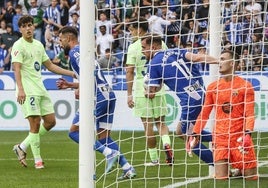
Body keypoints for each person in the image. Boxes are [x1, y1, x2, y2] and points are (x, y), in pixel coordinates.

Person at [57, 26, 136, 180]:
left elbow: (88, 79)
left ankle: (108, 153)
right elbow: (89, 76)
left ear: (69, 39)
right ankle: (127, 168)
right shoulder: (85, 52)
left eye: (61, 40)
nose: (60, 44)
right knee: (103, 137)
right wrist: (72, 85)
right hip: (108, 94)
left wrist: (81, 90)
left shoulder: (74, 53)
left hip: (97, 96)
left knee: (74, 132)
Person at [141, 34, 217, 166]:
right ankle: (221, 138)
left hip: (191, 101)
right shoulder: (176, 51)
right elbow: (198, 57)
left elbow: (152, 92)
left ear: (152, 47)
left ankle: (219, 165)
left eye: (143, 47)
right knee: (180, 131)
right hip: (203, 94)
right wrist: (220, 61)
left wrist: (146, 90)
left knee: (189, 136)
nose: (142, 51)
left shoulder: (153, 64)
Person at [11, 15, 75, 169]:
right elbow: (17, 69)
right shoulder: (18, 45)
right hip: (27, 90)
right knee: (35, 124)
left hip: (40, 89)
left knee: (51, 121)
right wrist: (20, 89)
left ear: (34, 27)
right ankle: (38, 160)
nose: (28, 28)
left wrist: (72, 74)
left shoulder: (39, 45)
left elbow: (50, 66)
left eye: (30, 25)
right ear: (20, 29)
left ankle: (22, 147)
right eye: (24, 26)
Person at [191, 50, 258, 180]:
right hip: (220, 138)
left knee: (251, 178)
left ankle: (240, 169)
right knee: (221, 178)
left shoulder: (245, 86)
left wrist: (248, 133)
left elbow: (250, 114)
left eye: (222, 59)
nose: (219, 62)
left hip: (239, 138)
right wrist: (195, 132)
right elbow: (205, 113)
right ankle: (233, 169)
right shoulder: (213, 87)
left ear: (232, 63)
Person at [126, 17, 173, 166]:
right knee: (161, 123)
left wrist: (129, 94)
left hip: (141, 88)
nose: (131, 33)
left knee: (148, 126)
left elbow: (129, 71)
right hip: (158, 86)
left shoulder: (134, 47)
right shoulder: (162, 44)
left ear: (139, 30)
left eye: (132, 30)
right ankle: (167, 144)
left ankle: (154, 159)